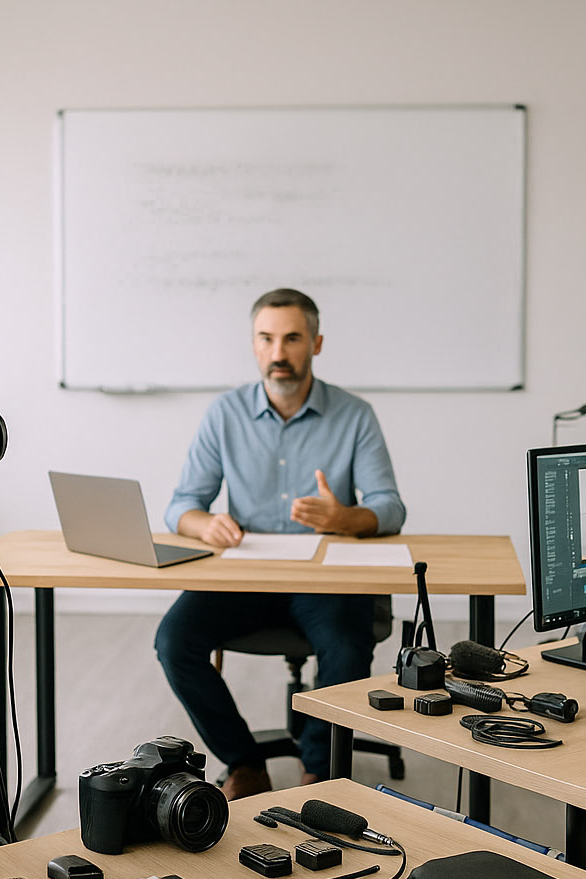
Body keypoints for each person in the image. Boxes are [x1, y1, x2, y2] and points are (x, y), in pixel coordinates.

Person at [154, 287, 406, 800]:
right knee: (174, 641)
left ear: (316, 343)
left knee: (346, 644)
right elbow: (181, 505)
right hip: (247, 576)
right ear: (253, 345)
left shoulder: (354, 414)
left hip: (325, 578)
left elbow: (390, 506)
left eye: (292, 338)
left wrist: (346, 517)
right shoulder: (225, 414)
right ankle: (244, 763)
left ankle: (319, 767)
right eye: (266, 339)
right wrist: (205, 525)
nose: (278, 352)